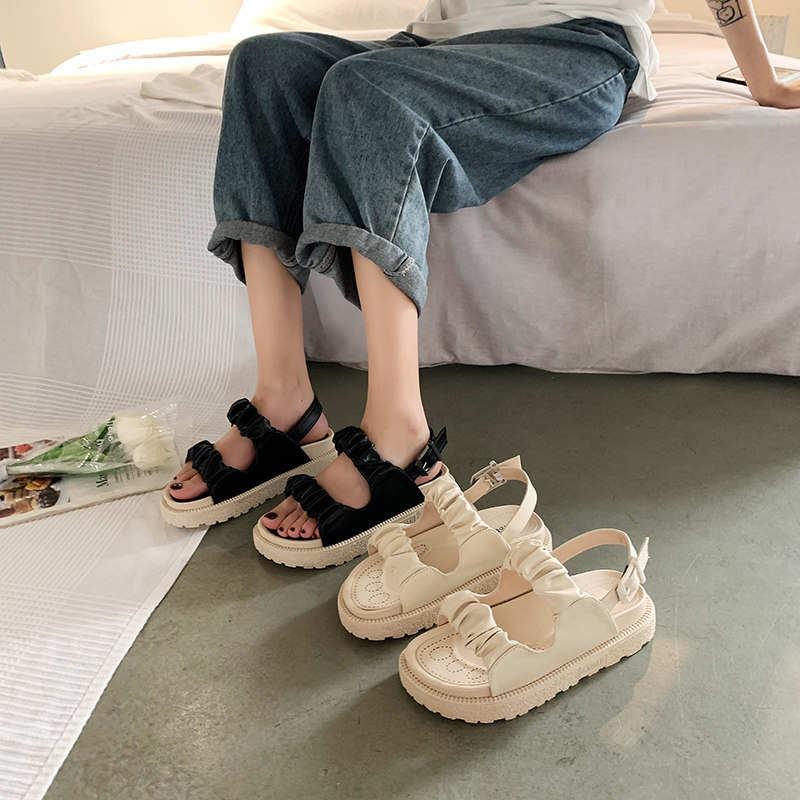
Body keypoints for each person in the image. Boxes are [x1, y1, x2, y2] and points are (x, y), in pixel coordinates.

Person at [165, 0, 800, 548]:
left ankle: (400, 436)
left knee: (366, 90)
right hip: (442, 43)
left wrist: (763, 80)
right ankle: (284, 401)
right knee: (264, 65)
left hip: (574, 45)